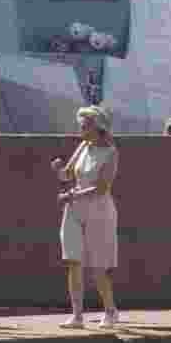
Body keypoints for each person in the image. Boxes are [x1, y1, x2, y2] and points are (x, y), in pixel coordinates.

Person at [50, 105, 120, 329]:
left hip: (99, 211)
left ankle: (110, 311)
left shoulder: (111, 152)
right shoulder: (83, 146)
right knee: (73, 260)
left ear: (97, 127)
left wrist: (71, 194)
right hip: (74, 209)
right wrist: (59, 170)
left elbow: (102, 188)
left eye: (84, 125)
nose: (80, 128)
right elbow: (67, 175)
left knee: (99, 266)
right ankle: (77, 316)